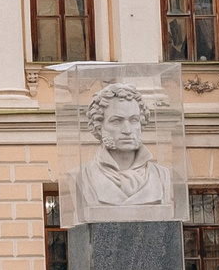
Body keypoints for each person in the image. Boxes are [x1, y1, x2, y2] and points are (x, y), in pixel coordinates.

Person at [70, 81, 178, 220]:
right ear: (99, 127)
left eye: (134, 120)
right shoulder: (82, 177)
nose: (127, 130)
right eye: (116, 121)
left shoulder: (161, 175)